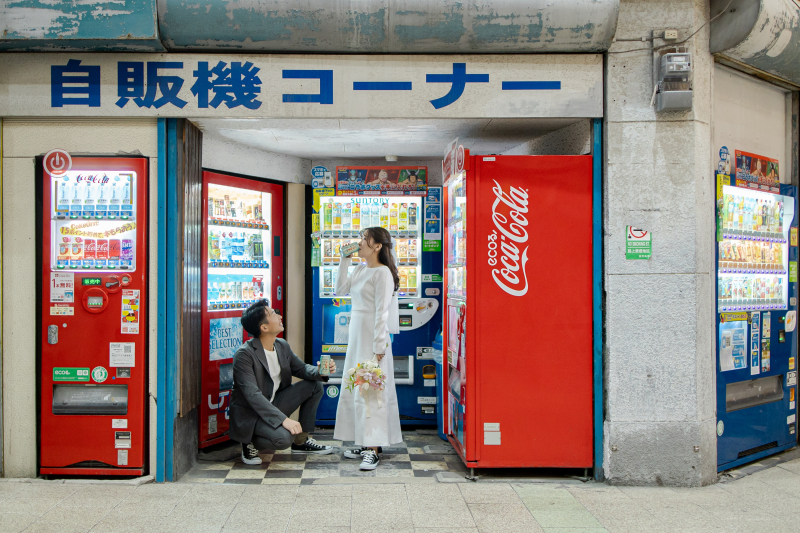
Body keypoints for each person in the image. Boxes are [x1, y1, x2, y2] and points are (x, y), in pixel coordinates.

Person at [229, 299, 335, 465]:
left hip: (275, 403)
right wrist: (283, 420)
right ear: (263, 328)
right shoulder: (244, 355)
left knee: (315, 385)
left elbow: (301, 369)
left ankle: (301, 442)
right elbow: (253, 395)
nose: (279, 316)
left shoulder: (281, 345)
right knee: (283, 439)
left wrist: (319, 371)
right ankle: (248, 440)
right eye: (273, 314)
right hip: (252, 414)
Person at [333, 227, 402, 470]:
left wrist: (379, 345)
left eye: (364, 239)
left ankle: (373, 448)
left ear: (377, 246)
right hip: (357, 337)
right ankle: (364, 442)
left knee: (372, 391)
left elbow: (381, 312)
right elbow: (340, 290)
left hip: (373, 339)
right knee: (357, 387)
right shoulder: (361, 269)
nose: (359, 242)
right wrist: (344, 260)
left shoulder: (382, 273)